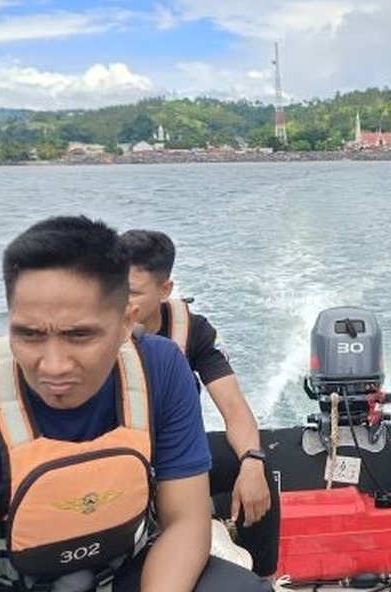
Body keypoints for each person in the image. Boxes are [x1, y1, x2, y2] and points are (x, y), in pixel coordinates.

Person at [0, 216, 267, 592]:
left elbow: (185, 520)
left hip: (118, 571)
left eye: (80, 336)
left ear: (127, 322)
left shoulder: (162, 370)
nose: (54, 366)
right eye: (29, 334)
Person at [119, 229, 279, 578]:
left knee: (256, 469)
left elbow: (234, 409)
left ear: (165, 291)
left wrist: (251, 463)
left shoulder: (191, 330)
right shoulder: (97, 329)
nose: (118, 302)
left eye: (131, 293)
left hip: (175, 456)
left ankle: (264, 579)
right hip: (120, 458)